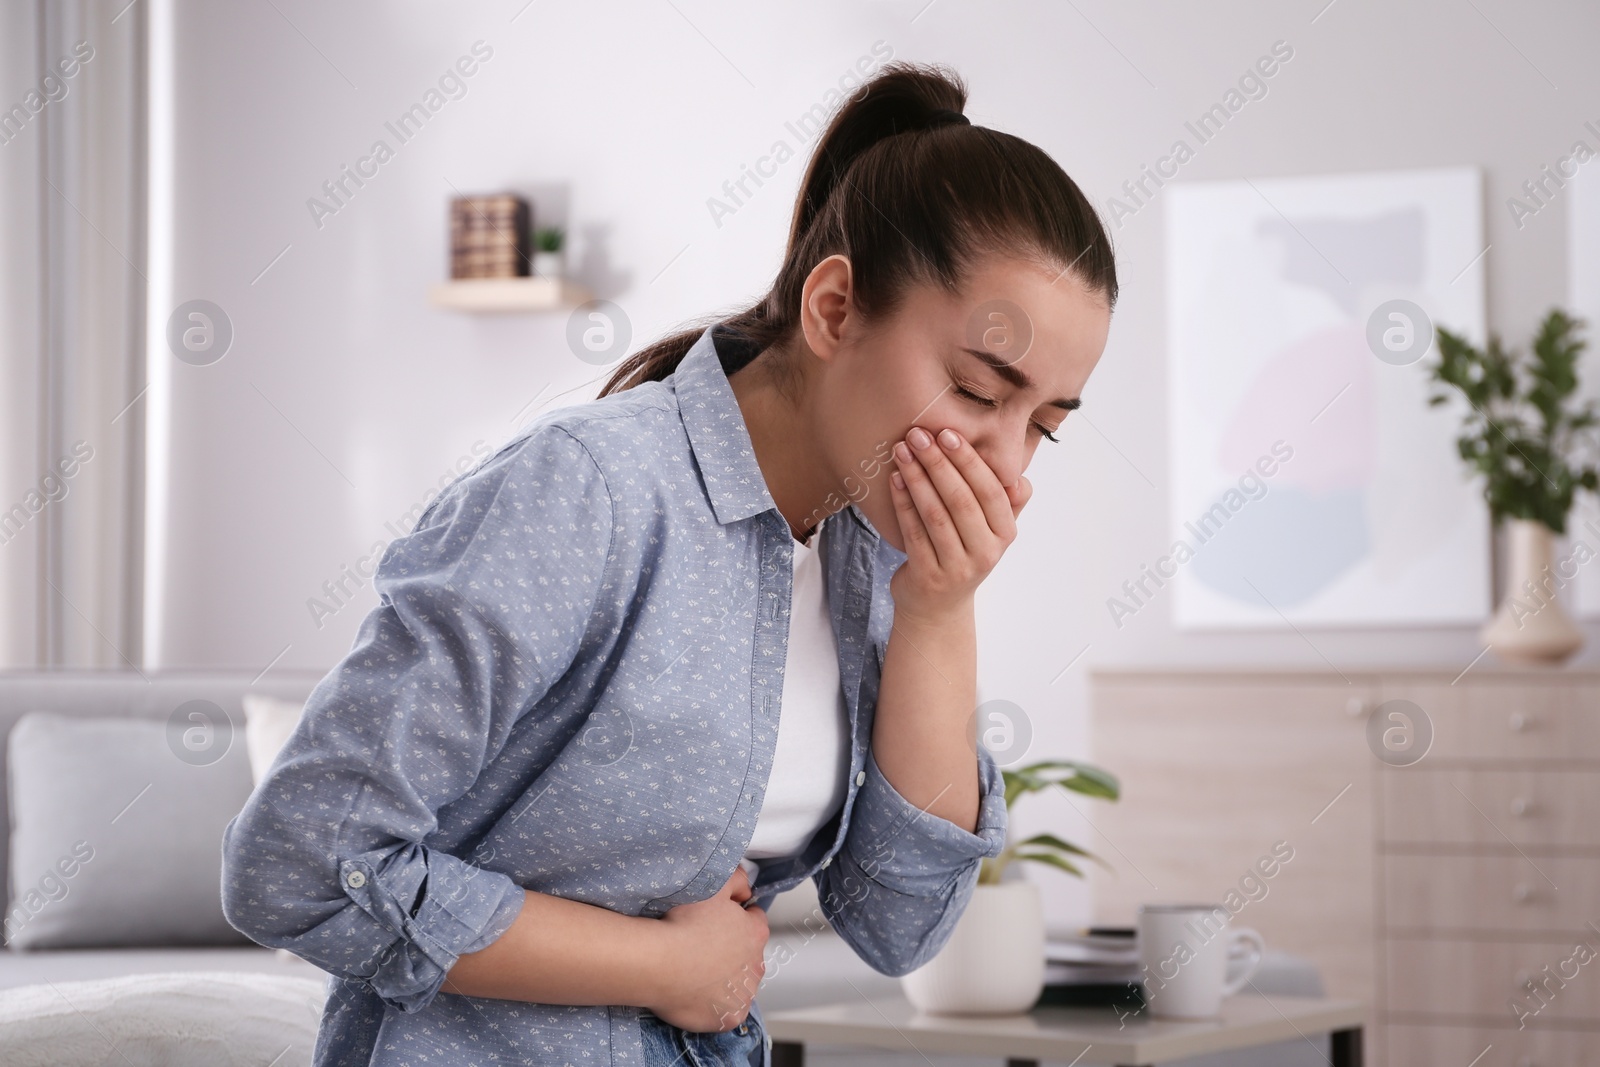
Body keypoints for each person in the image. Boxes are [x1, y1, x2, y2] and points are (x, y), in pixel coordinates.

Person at [220, 59, 1116, 1067]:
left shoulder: (871, 555)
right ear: (832, 310)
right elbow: (298, 860)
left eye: (1044, 424)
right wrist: (658, 967)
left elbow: (898, 923)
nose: (1003, 460)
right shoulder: (586, 494)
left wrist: (940, 612)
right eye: (975, 389)